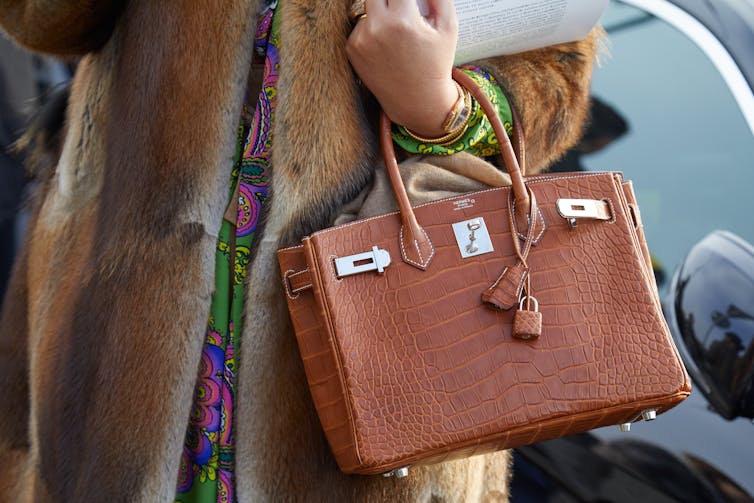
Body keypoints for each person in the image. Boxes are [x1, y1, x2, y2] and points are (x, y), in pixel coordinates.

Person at [0, 0, 600, 501]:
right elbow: (40, 21)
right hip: (120, 346)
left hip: (373, 355)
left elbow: (557, 78)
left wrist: (434, 100)